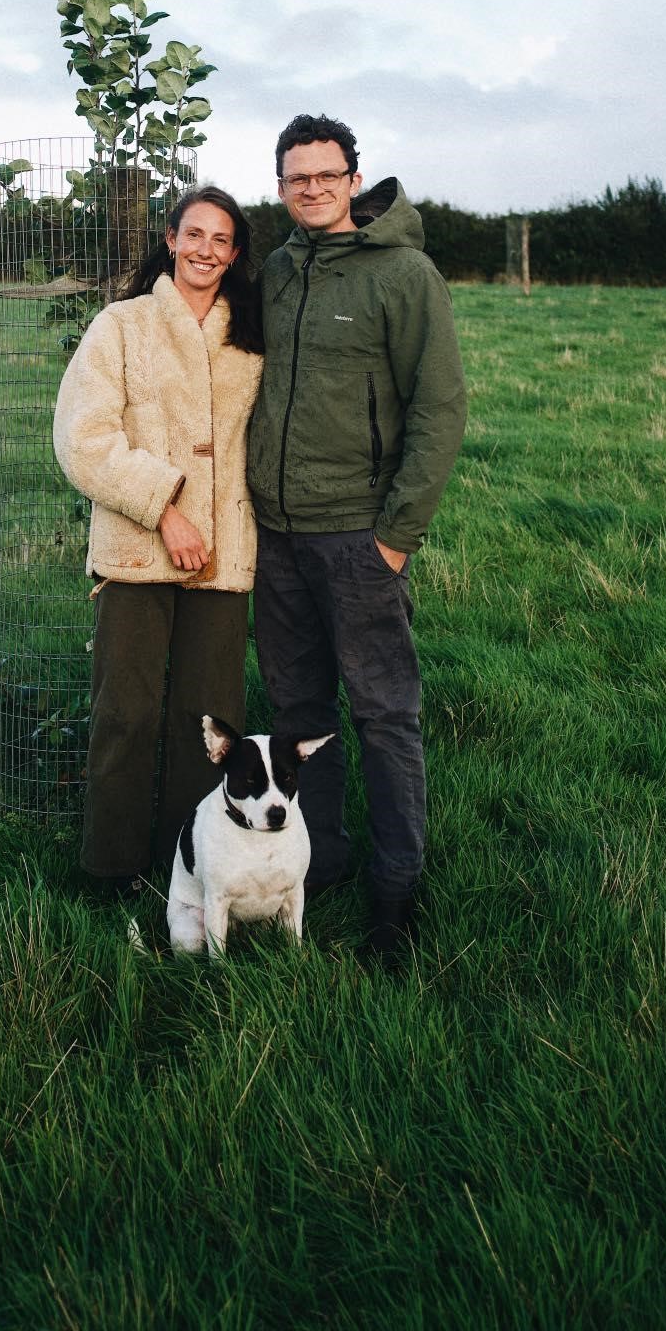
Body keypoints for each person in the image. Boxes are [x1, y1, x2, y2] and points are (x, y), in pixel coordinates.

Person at [246, 115, 467, 959]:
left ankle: (396, 892)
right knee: (300, 714)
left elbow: (439, 408)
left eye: (326, 175)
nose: (312, 189)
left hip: (358, 538)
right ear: (281, 187)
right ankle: (323, 860)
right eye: (296, 177)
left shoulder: (405, 275)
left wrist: (396, 536)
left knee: (383, 717)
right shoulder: (277, 270)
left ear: (353, 179)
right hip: (277, 537)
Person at [53, 186, 263, 891]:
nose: (205, 249)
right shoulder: (121, 325)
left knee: (209, 725)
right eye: (193, 234)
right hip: (137, 549)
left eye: (221, 240)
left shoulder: (251, 337)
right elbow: (82, 440)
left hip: (224, 555)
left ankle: (191, 870)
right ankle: (110, 872)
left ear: (234, 254)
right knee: (125, 713)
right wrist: (165, 509)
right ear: (170, 239)